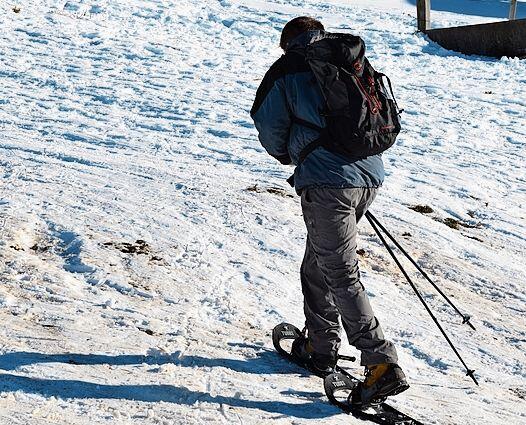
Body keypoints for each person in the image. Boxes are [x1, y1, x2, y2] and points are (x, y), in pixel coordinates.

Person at [250, 17, 408, 405]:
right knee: (319, 263)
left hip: (327, 181)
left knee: (340, 272)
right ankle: (321, 347)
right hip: (368, 175)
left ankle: (381, 364)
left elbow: (269, 126)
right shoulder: (352, 60)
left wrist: (293, 155)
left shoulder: (289, 68)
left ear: (288, 44)